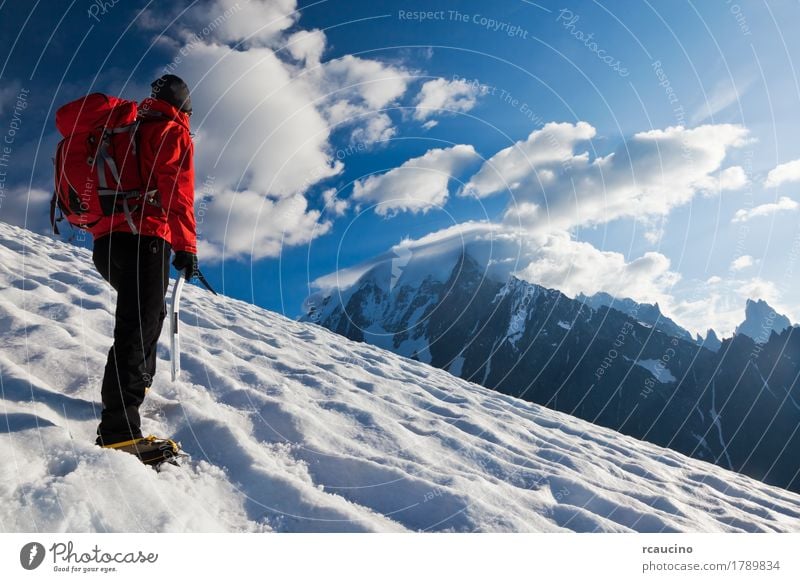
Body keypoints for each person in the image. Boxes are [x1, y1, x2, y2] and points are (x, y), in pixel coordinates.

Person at [91, 74, 198, 460]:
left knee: (150, 314)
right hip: (145, 238)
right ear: (183, 104)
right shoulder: (171, 131)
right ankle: (119, 431)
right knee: (137, 326)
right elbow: (176, 191)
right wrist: (186, 247)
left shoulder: (126, 128)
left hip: (105, 242)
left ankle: (139, 382)